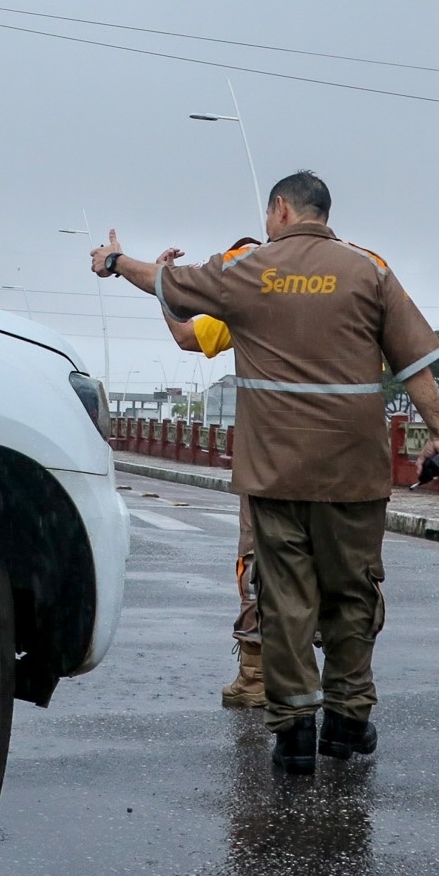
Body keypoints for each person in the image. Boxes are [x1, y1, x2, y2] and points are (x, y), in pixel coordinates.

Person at [92, 170, 439, 775]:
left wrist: (114, 260)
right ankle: (347, 722)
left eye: (267, 215)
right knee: (353, 594)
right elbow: (417, 364)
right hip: (354, 476)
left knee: (283, 600)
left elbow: (166, 285)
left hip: (275, 474)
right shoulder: (372, 270)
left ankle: (293, 736)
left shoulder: (248, 272)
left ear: (281, 209)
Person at [157, 237, 264, 709]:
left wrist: (163, 282)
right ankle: (345, 692)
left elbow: (185, 336)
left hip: (269, 455)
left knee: (259, 559)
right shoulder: (339, 289)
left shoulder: (243, 303)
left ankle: (257, 675)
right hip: (340, 455)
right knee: (333, 565)